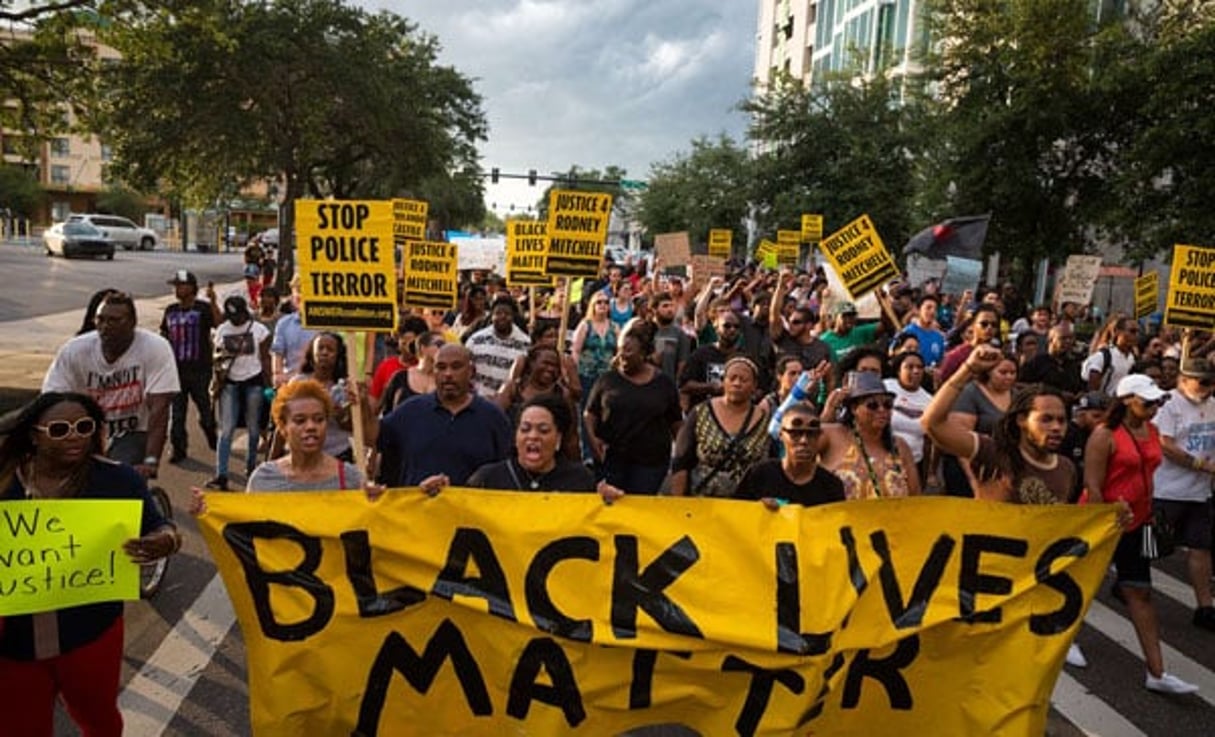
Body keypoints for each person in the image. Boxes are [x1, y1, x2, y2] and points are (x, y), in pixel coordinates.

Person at [0, 392, 179, 736]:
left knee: (100, 721)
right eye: (59, 429)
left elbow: (161, 526)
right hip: (14, 644)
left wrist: (165, 541)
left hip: (90, 634)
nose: (74, 436)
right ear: (34, 435)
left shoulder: (118, 480)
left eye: (84, 427)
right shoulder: (6, 480)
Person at [1084, 374, 1198, 694]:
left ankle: (1157, 672)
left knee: (1140, 592)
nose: (1154, 407)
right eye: (1147, 401)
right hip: (1104, 523)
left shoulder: (1152, 430)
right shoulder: (1104, 435)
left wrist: (1146, 514)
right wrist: (1105, 515)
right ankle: (1065, 643)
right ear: (1126, 401)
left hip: (1137, 522)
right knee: (1084, 587)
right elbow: (1092, 485)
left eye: (1157, 401)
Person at [43, 292, 179, 476]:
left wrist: (151, 460)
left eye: (115, 320)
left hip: (134, 431)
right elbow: (52, 401)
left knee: (118, 479)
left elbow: (160, 407)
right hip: (88, 431)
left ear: (132, 323)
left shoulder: (154, 348)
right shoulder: (75, 351)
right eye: (101, 319)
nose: (106, 326)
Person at [921, 344, 1073, 504]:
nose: (1056, 427)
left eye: (1061, 420)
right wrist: (967, 369)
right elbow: (932, 424)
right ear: (1022, 420)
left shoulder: (1066, 469)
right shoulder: (993, 454)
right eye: (1046, 419)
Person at [437, 395, 624, 504]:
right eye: (525, 429)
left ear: (558, 438)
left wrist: (608, 504)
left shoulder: (581, 481)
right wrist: (437, 499)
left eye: (543, 430)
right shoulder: (487, 479)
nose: (533, 436)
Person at [373, 344, 512, 486]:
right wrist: (362, 403)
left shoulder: (493, 417)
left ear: (471, 372)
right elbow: (371, 436)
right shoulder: (410, 411)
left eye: (456, 367)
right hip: (419, 507)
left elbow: (508, 471)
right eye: (441, 367)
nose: (448, 374)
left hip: (473, 507)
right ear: (434, 372)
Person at [1151, 357, 1215, 632]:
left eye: (1211, 383)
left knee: (1200, 547)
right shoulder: (1169, 405)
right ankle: (1130, 583)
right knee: (1151, 545)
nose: (1208, 388)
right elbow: (1164, 444)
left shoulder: (1212, 405)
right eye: (1203, 383)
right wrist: (1201, 465)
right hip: (1167, 490)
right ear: (1184, 380)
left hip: (1199, 493)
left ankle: (1205, 607)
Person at [584, 323, 682, 495]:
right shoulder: (607, 380)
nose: (622, 356)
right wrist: (593, 439)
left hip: (650, 463)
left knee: (638, 505)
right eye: (620, 350)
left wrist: (681, 459)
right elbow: (590, 413)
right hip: (611, 459)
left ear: (643, 354)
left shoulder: (664, 384)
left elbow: (676, 423)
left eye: (628, 351)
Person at [670, 357, 771, 498]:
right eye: (732, 378)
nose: (737, 383)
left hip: (747, 503)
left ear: (754, 386)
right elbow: (681, 460)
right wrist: (678, 501)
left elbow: (769, 466)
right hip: (703, 499)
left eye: (743, 380)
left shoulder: (765, 420)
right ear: (723, 382)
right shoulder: (701, 412)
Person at [817, 372, 920, 499]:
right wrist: (829, 411)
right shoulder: (832, 435)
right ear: (854, 408)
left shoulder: (899, 446)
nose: (882, 410)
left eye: (887, 405)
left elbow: (915, 496)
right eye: (873, 405)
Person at [210, 295, 271, 491]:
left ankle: (251, 465)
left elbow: (265, 359)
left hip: (253, 382)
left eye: (237, 316)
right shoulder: (222, 330)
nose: (233, 320)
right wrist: (216, 383)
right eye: (230, 316)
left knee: (254, 428)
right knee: (226, 430)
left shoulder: (258, 330)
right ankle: (221, 474)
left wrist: (269, 386)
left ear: (244, 312)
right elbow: (217, 360)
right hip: (229, 384)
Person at [159, 270, 221, 463]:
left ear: (191, 288)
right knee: (176, 415)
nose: (176, 289)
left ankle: (213, 436)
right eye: (175, 286)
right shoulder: (171, 310)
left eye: (180, 285)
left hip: (200, 371)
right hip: (176, 371)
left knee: (205, 412)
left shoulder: (202, 308)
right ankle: (179, 449)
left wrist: (213, 301)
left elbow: (218, 324)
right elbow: (164, 334)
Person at [734, 404, 846, 508]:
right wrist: (758, 509)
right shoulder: (760, 474)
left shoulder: (831, 486)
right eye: (795, 434)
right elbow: (734, 516)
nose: (804, 441)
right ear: (781, 435)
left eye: (811, 434)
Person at [941, 351, 1016, 497]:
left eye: (1013, 372)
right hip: (969, 468)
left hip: (1001, 469)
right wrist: (974, 482)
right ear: (988, 372)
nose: (1009, 377)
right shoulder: (970, 394)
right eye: (1003, 372)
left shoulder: (1016, 395)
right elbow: (962, 442)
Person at [286, 333, 354, 464]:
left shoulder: (346, 387)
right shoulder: (298, 382)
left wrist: (340, 414)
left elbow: (352, 427)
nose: (324, 353)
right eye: (320, 348)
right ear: (312, 353)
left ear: (338, 355)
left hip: (338, 454)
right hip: (302, 455)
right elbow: (283, 423)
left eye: (330, 349)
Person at [466, 297, 532, 398]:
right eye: (498, 313)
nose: (502, 317)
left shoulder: (525, 344)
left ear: (513, 316)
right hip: (479, 399)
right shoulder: (476, 340)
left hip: (509, 403)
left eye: (507, 313)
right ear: (492, 316)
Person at [885, 351, 934, 483]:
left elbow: (929, 441)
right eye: (910, 367)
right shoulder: (886, 387)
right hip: (885, 460)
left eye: (919, 367)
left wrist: (928, 472)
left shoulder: (930, 401)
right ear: (898, 371)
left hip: (914, 462)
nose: (916, 371)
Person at [679, 310, 745, 408]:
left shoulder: (743, 358)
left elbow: (758, 389)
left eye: (736, 327)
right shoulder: (701, 354)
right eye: (727, 326)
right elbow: (684, 385)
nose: (732, 330)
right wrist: (711, 387)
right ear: (716, 328)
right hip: (704, 413)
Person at [1057, 392, 1110, 502]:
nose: (1101, 422)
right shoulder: (1066, 434)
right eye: (1096, 416)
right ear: (1081, 414)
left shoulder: (1103, 435)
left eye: (1105, 418)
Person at [378, 330, 443, 417]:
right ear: (423, 348)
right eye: (439, 344)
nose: (443, 349)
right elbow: (386, 412)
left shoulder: (444, 380)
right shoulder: (400, 377)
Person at [270, 275, 318, 387]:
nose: (302, 296)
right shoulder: (284, 324)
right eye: (298, 292)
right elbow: (277, 352)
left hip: (318, 383)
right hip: (290, 383)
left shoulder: (326, 324)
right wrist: (278, 375)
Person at [1019, 323, 1084, 403]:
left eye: (1070, 338)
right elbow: (1020, 385)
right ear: (1050, 340)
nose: (1068, 342)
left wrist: (1080, 394)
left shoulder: (1074, 363)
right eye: (1063, 338)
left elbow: (1081, 386)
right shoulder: (1037, 362)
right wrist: (1054, 393)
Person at [1083, 316, 1138, 395]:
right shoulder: (1103, 356)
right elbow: (1093, 389)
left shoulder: (1132, 358)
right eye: (1132, 331)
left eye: (1137, 332)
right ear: (1117, 331)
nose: (1135, 336)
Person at [650, 292, 692, 383]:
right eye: (665, 306)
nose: (670, 309)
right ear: (654, 310)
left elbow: (682, 365)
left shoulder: (680, 334)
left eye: (671, 306)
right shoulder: (645, 330)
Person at [901, 295, 947, 368]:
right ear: (918, 310)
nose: (932, 311)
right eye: (928, 308)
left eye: (935, 309)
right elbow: (892, 352)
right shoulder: (908, 331)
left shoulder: (939, 337)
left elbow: (941, 362)